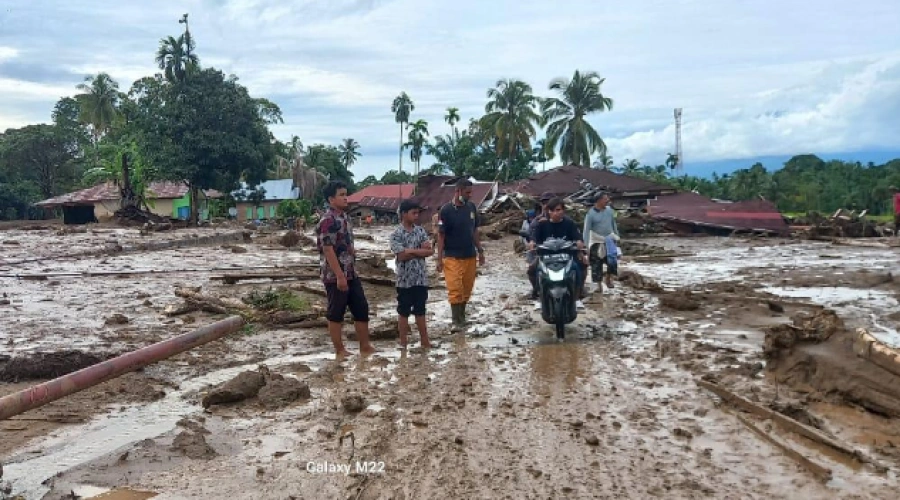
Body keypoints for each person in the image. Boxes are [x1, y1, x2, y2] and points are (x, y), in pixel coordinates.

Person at [316, 180, 375, 357]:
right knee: (336, 312)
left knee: (361, 308)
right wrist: (339, 275)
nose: (345, 198)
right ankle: (340, 350)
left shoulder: (346, 218)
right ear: (331, 199)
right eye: (341, 195)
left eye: (345, 194)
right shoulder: (327, 220)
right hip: (334, 274)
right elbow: (327, 249)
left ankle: (365, 346)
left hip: (350, 272)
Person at [436, 178, 485, 331]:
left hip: (470, 255)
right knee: (455, 289)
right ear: (457, 191)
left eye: (471, 192)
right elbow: (441, 236)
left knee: (466, 289)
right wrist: (439, 259)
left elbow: (475, 230)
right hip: (452, 256)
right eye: (467, 192)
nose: (470, 195)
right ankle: (455, 321)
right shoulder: (446, 210)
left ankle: (462, 318)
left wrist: (480, 251)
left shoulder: (471, 208)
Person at [390, 199, 433, 349]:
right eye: (413, 213)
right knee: (403, 312)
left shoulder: (420, 231)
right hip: (404, 280)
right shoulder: (396, 234)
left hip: (421, 279)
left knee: (421, 310)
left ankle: (425, 341)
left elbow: (430, 251)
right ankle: (403, 343)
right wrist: (419, 251)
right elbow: (401, 256)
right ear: (403, 214)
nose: (417, 216)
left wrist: (410, 250)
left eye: (418, 213)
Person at [531, 197, 588, 308]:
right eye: (553, 210)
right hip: (546, 256)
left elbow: (577, 237)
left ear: (563, 211)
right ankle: (538, 295)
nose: (556, 213)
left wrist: (579, 243)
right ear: (549, 211)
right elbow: (533, 238)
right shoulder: (542, 224)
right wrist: (532, 243)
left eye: (559, 210)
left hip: (566, 255)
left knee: (581, 267)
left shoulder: (569, 223)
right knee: (532, 269)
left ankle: (577, 297)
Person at [582, 192, 620, 291]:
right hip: (596, 241)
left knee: (612, 262)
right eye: (605, 199)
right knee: (596, 264)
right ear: (598, 201)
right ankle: (598, 285)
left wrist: (617, 236)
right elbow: (586, 231)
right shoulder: (590, 214)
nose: (607, 200)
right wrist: (585, 247)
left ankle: (608, 278)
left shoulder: (609, 211)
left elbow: (613, 224)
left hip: (609, 239)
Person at [526, 193, 555, 299]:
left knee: (580, 264)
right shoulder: (537, 221)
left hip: (562, 252)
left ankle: (578, 291)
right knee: (531, 269)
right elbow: (531, 237)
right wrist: (532, 243)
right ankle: (536, 290)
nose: (546, 205)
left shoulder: (564, 220)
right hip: (543, 253)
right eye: (544, 203)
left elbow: (575, 234)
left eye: (549, 202)